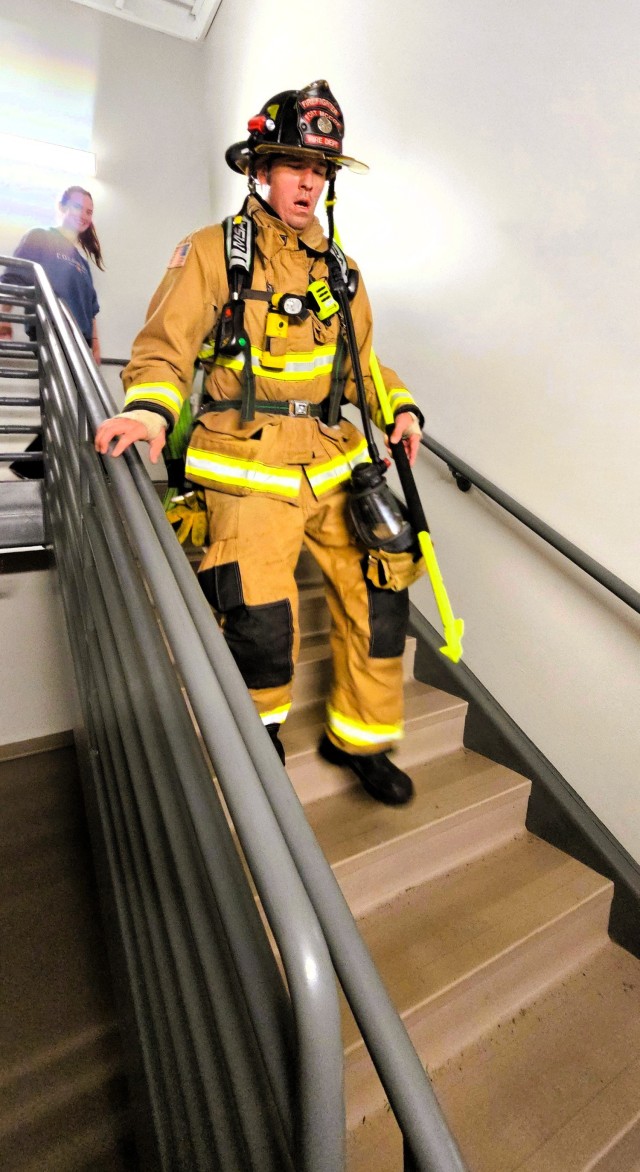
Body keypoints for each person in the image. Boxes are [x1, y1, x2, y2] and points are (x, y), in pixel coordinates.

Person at [95, 80, 424, 806]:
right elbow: (162, 349)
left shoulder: (342, 269)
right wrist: (149, 414)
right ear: (260, 170)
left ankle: (360, 739)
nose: (309, 182)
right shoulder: (212, 252)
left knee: (382, 597)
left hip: (337, 466)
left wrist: (399, 410)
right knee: (262, 624)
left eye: (321, 171)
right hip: (244, 470)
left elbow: (364, 364)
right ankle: (258, 742)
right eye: (293, 165)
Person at [1, 185, 104, 477]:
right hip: (51, 330)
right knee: (69, 402)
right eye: (77, 207)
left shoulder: (82, 261)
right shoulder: (41, 237)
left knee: (77, 405)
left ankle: (41, 468)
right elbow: (14, 276)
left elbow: (91, 307)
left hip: (80, 339)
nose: (83, 215)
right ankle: (31, 467)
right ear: (61, 208)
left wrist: (95, 344)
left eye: (88, 211)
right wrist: (4, 317)